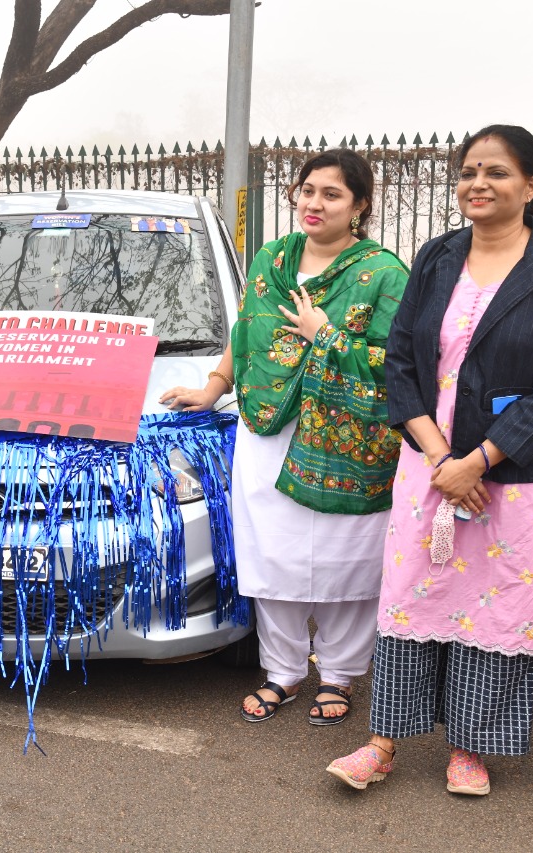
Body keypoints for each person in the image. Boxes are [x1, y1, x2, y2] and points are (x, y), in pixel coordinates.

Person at [327, 125, 533, 795]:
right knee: (413, 593)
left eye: (498, 172)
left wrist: (480, 461)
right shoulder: (437, 255)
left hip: (518, 473)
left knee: (496, 603)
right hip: (430, 459)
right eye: (470, 170)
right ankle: (383, 741)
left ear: (531, 185)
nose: (479, 182)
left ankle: (470, 748)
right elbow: (400, 362)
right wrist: (443, 456)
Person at [161, 149, 409, 726]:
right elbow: (246, 330)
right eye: (308, 190)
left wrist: (324, 338)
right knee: (274, 556)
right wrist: (215, 385)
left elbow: (399, 362)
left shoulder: (385, 273)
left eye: (332, 194)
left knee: (346, 559)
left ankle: (342, 676)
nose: (314, 203)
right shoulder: (273, 258)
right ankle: (284, 673)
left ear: (360, 205)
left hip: (345, 440)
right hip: (267, 429)